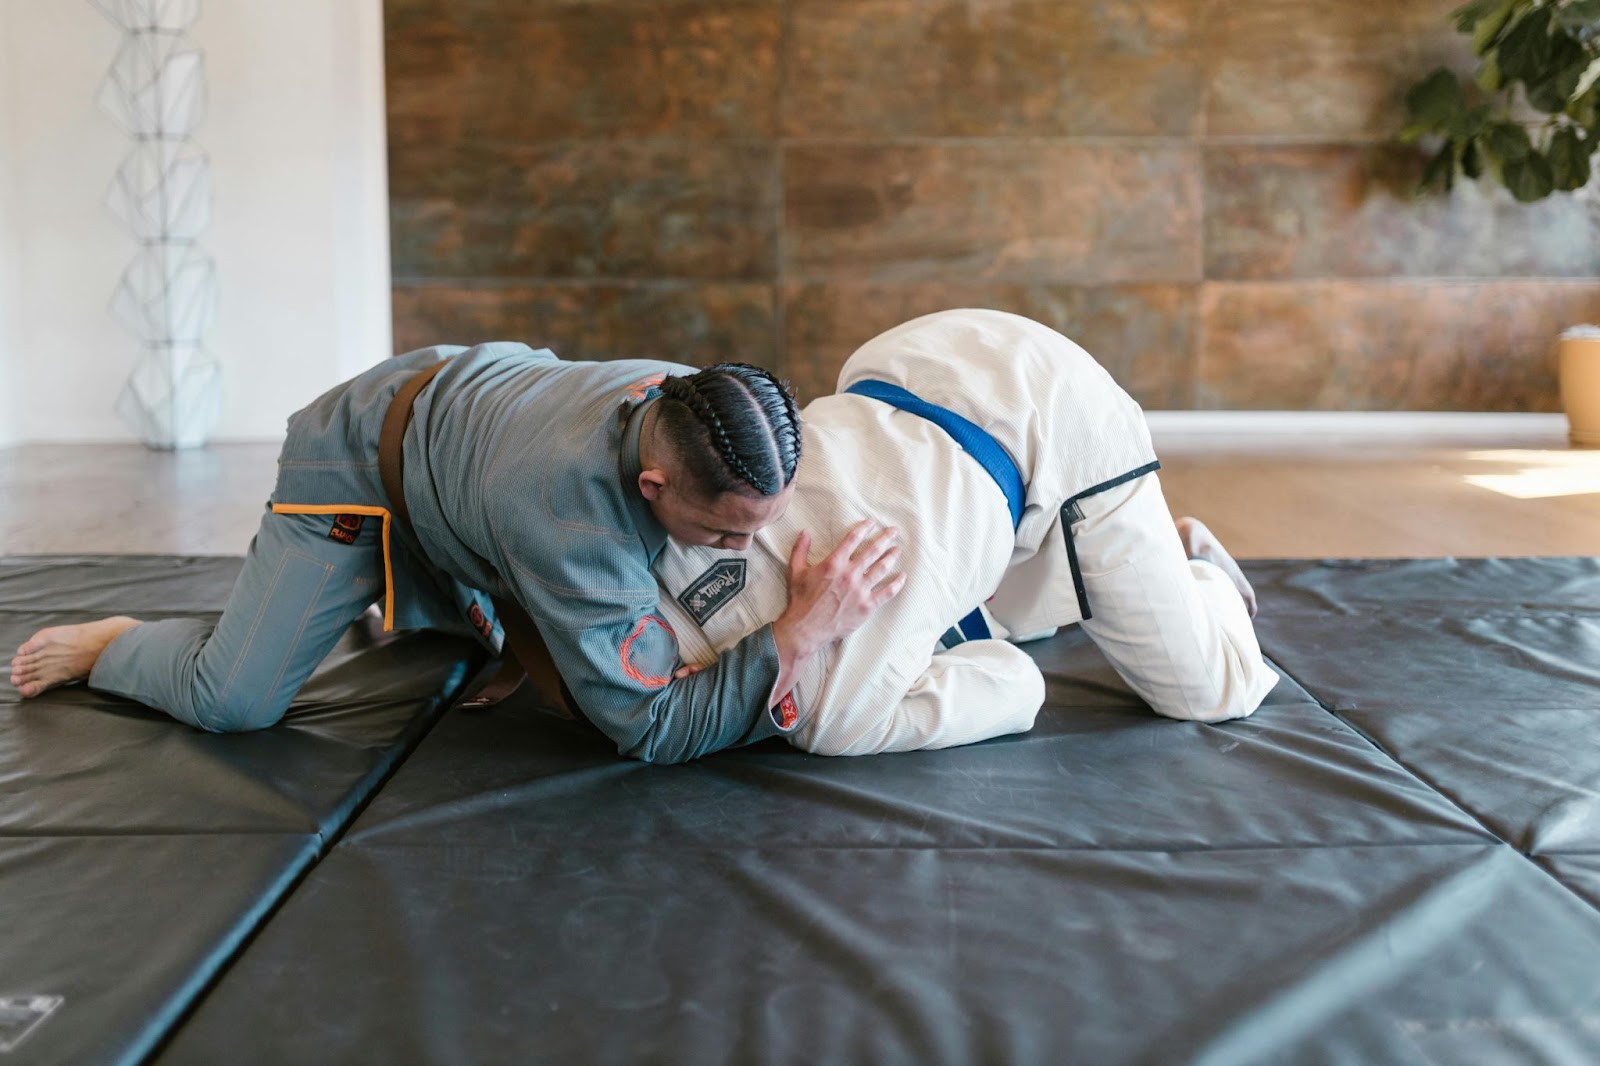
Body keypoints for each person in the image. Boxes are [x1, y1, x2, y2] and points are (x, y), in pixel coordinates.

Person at [9, 344, 905, 763]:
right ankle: (117, 643)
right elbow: (651, 728)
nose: (746, 549)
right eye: (724, 534)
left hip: (472, 444)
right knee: (233, 700)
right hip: (360, 461)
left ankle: (465, 591)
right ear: (654, 488)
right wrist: (796, 635)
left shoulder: (704, 408)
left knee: (500, 645)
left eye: (764, 523)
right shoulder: (576, 520)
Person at [654, 309, 1278, 756]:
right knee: (1003, 615)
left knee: (1212, 690)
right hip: (920, 354)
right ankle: (1150, 547)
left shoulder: (834, 716)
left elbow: (1019, 684)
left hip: (1055, 418)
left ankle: (1198, 575)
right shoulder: (646, 545)